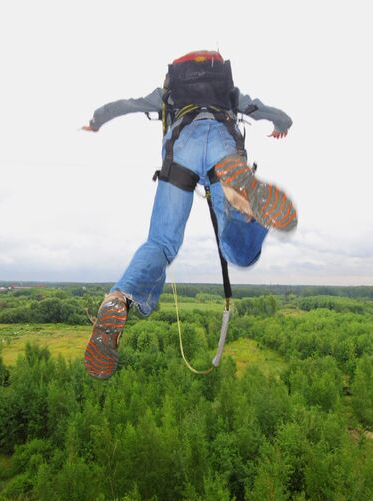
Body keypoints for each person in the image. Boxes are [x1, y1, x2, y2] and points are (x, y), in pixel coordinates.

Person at [82, 50, 294, 380]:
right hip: (223, 145)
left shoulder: (168, 94)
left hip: (181, 149)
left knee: (161, 244)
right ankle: (245, 207)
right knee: (239, 253)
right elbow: (271, 112)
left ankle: (120, 297)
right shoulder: (229, 93)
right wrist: (283, 124)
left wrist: (96, 120)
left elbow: (125, 105)